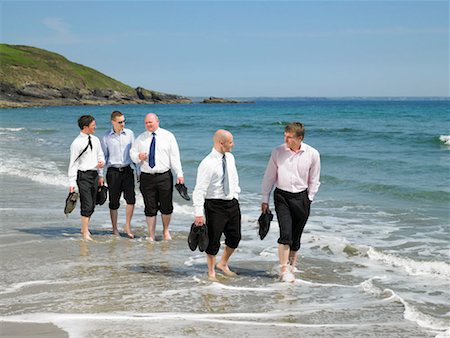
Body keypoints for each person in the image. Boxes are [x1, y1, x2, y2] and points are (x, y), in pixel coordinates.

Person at [261, 122, 320, 282]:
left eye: (290, 137)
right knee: (285, 234)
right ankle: (284, 269)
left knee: (296, 236)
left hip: (302, 198)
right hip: (282, 197)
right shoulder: (278, 152)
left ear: (299, 138)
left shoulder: (313, 154)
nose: (286, 140)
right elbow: (269, 176)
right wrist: (265, 198)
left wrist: (309, 198)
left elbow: (314, 179)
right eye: (285, 136)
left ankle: (292, 267)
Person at [192, 130, 241, 281]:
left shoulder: (230, 158)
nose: (233, 144)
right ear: (221, 142)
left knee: (235, 237)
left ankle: (223, 263)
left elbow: (233, 179)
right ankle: (211, 271)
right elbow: (199, 190)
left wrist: (236, 195)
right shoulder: (207, 163)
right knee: (213, 240)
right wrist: (199, 213)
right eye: (231, 142)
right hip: (214, 205)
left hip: (231, 203)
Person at [130, 113, 184, 241]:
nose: (148, 125)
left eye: (151, 122)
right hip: (146, 177)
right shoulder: (141, 138)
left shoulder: (168, 136)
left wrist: (179, 174)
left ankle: (166, 231)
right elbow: (132, 153)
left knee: (166, 206)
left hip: (164, 176)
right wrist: (138, 156)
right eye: (146, 123)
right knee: (150, 207)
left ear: (157, 122)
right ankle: (151, 235)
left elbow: (175, 157)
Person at [68, 115, 105, 241]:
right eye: (93, 125)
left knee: (93, 204)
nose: (95, 127)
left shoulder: (95, 139)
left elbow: (100, 156)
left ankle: (84, 228)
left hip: (94, 175)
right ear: (85, 127)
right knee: (87, 205)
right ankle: (85, 233)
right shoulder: (76, 143)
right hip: (83, 176)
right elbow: (73, 164)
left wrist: (101, 173)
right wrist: (72, 182)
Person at [101, 110, 136, 238]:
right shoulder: (106, 137)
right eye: (120, 122)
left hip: (127, 170)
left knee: (131, 199)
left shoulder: (130, 134)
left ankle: (127, 225)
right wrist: (100, 174)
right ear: (113, 122)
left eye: (124, 121)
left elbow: (134, 153)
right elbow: (103, 157)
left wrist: (140, 171)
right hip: (113, 172)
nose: (123, 124)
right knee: (114, 202)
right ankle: (114, 228)